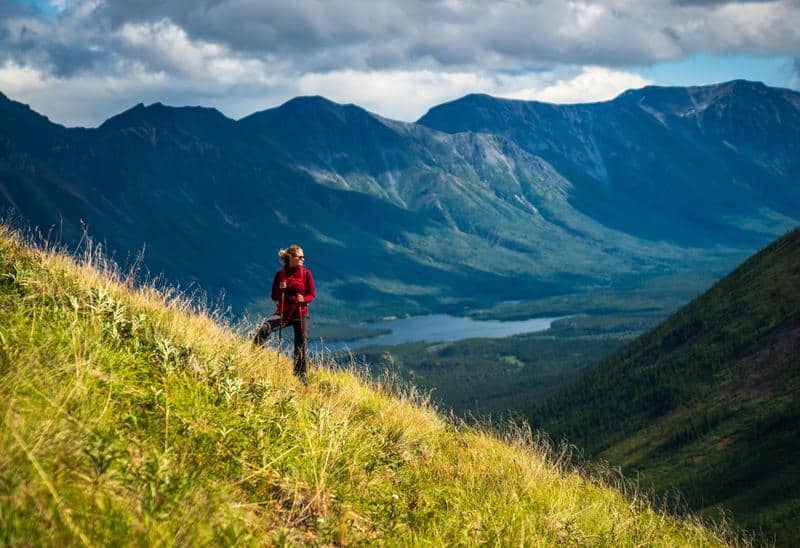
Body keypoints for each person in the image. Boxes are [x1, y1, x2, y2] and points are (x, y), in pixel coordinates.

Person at [252, 244, 315, 384]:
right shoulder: (280, 275)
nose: (303, 259)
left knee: (301, 343)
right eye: (300, 257)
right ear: (291, 258)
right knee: (264, 328)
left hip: (300, 313)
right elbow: (274, 296)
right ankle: (253, 356)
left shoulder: (306, 274)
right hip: (284, 312)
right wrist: (281, 289)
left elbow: (311, 294)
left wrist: (303, 299)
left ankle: (300, 377)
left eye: (303, 257)